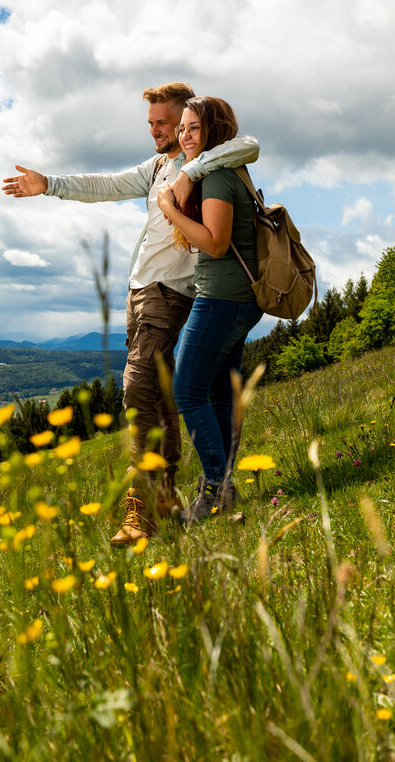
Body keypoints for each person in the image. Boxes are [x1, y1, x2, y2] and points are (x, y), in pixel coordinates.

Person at [2, 83, 259, 545]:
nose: (160, 132)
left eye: (169, 123)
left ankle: (140, 511)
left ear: (191, 122)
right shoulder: (160, 165)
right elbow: (108, 185)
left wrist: (194, 164)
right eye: (155, 124)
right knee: (159, 400)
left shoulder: (210, 160)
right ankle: (167, 498)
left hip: (170, 292)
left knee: (137, 390)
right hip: (138, 292)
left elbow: (248, 144)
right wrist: (50, 185)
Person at [156, 96, 263, 525]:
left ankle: (215, 490)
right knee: (218, 392)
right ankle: (221, 489)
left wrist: (168, 209)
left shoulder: (217, 177)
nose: (184, 135)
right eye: (182, 128)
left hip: (222, 298)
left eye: (194, 127)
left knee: (186, 392)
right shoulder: (223, 171)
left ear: (215, 130)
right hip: (238, 299)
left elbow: (216, 243)